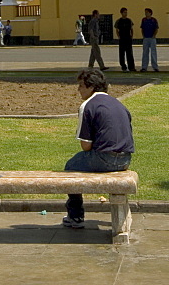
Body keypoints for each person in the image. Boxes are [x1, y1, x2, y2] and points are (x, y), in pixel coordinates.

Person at [62, 68, 134, 229]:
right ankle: (122, 215)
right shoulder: (118, 104)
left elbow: (86, 145)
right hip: (125, 159)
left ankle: (75, 216)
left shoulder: (88, 106)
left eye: (81, 86)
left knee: (71, 166)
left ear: (90, 87)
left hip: (104, 158)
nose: (78, 90)